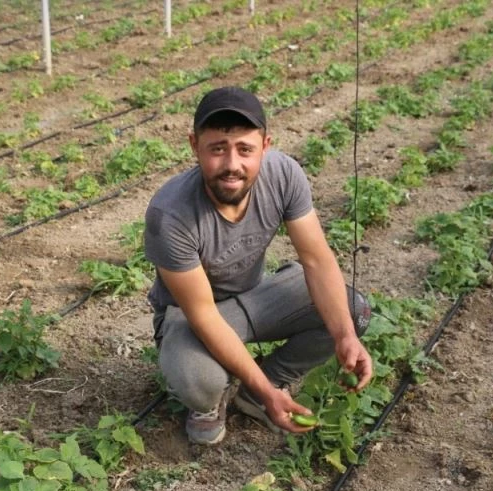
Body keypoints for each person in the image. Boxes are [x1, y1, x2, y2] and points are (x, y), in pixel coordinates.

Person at [144, 86, 373, 445]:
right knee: (199, 380)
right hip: (190, 317)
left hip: (255, 296)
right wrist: (269, 393)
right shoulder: (170, 215)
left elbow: (316, 259)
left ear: (265, 146)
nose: (232, 164)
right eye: (217, 148)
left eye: (245, 149)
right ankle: (216, 400)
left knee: (351, 312)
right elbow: (203, 315)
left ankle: (259, 390)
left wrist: (345, 335)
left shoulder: (283, 175)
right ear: (194, 145)